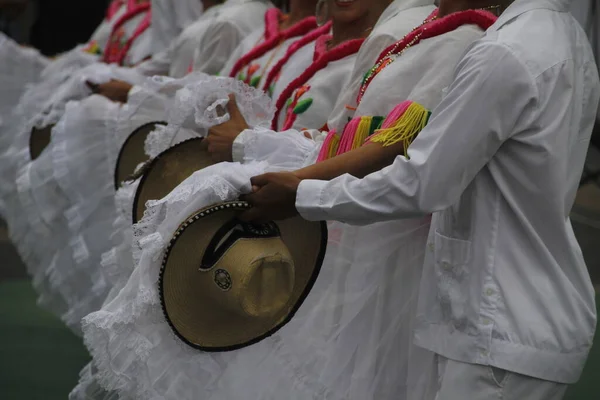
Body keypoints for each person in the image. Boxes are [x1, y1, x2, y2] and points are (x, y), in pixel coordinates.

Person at [242, 0, 600, 398]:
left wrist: (303, 195)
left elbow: (420, 183)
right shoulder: (564, 36)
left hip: (498, 325)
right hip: (517, 319)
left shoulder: (508, 51)